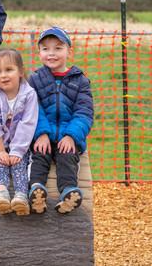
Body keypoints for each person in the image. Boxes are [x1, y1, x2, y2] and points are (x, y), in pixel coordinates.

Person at [28, 27, 94, 214]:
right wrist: (40, 133)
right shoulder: (35, 79)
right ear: (39, 52)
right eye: (46, 49)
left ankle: (68, 192)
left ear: (69, 52)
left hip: (68, 134)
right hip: (44, 133)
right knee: (39, 156)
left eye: (58, 48)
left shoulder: (80, 81)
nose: (51, 53)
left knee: (68, 157)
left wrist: (72, 136)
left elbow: (84, 112)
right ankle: (36, 189)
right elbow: (33, 109)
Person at [0, 48, 38, 216]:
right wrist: (0, 150)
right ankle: (2, 194)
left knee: (19, 164)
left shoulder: (28, 94)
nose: (4, 75)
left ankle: (21, 196)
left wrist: (17, 151)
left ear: (21, 71)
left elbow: (27, 124)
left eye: (9, 70)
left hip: (21, 144)